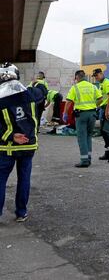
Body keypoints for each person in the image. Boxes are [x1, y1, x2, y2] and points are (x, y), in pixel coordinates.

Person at [0, 63, 44, 222]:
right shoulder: (31, 93)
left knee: (1, 179)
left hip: (7, 146)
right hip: (29, 144)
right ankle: (21, 212)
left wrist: (12, 136)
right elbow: (42, 92)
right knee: (24, 178)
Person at [62, 70, 102, 168]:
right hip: (92, 114)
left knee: (81, 137)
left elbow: (68, 102)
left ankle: (84, 161)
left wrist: (65, 113)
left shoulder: (75, 87)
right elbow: (100, 99)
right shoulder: (92, 86)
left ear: (77, 77)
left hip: (81, 115)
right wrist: (93, 106)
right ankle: (88, 158)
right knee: (88, 135)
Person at [92, 68, 109, 162]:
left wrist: (107, 110)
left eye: (96, 75)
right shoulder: (101, 84)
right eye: (94, 76)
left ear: (101, 73)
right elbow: (103, 99)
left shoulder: (107, 82)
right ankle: (108, 152)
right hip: (104, 108)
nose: (95, 78)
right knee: (103, 131)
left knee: (106, 131)